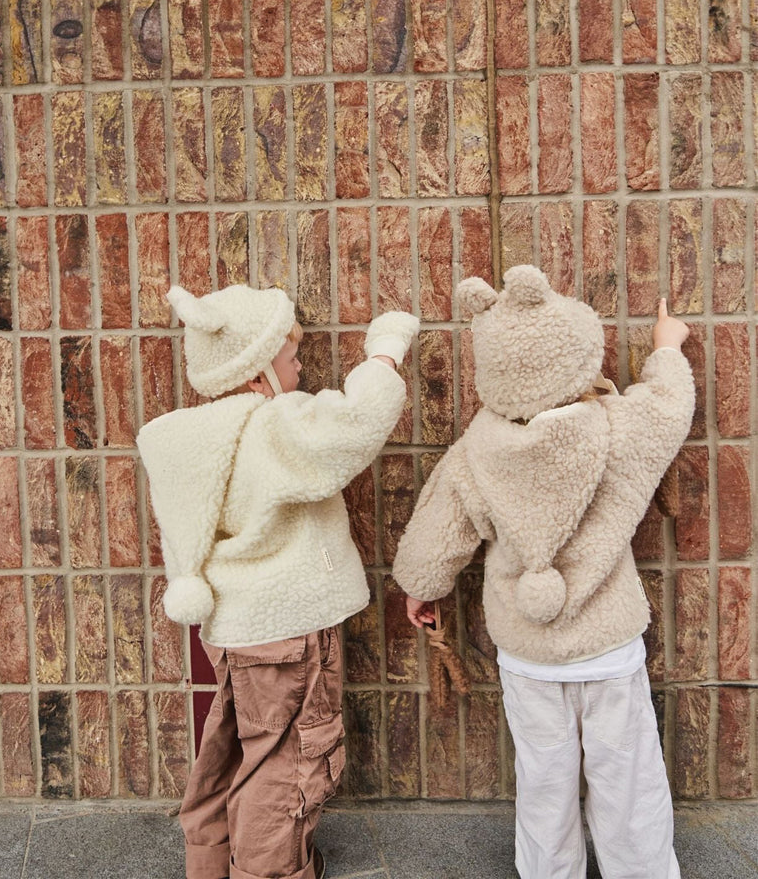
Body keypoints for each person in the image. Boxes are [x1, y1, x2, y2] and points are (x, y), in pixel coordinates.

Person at [392, 264, 694, 879]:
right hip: (609, 649)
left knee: (543, 784)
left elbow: (435, 535)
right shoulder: (617, 427)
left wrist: (421, 591)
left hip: (528, 653)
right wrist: (666, 349)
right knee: (628, 779)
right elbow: (668, 408)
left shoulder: (475, 449)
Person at [137, 282, 419, 879]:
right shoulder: (271, 428)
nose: (302, 368)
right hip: (288, 634)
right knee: (289, 766)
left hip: (238, 631)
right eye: (292, 359)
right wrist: (384, 353)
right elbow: (357, 423)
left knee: (238, 749)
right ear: (256, 373)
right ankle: (269, 872)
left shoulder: (194, 437)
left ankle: (212, 863)